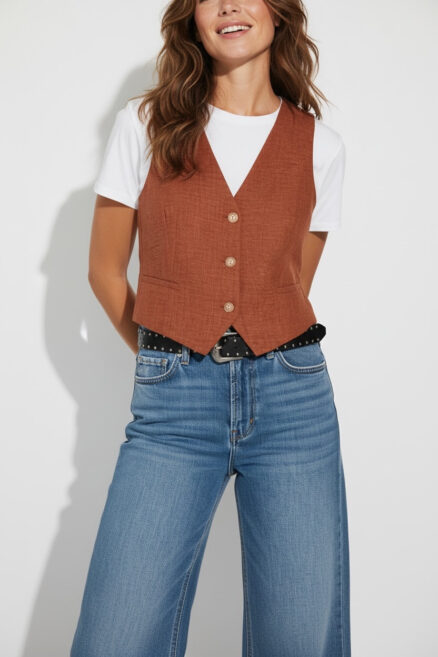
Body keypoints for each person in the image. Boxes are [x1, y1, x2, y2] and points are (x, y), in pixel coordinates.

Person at [70, 1, 350, 655]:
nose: (228, 4)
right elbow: (104, 271)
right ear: (192, 18)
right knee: (115, 635)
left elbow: (290, 285)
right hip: (173, 408)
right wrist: (165, 355)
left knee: (297, 637)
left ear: (278, 13)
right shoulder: (145, 123)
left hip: (294, 404)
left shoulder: (321, 146)